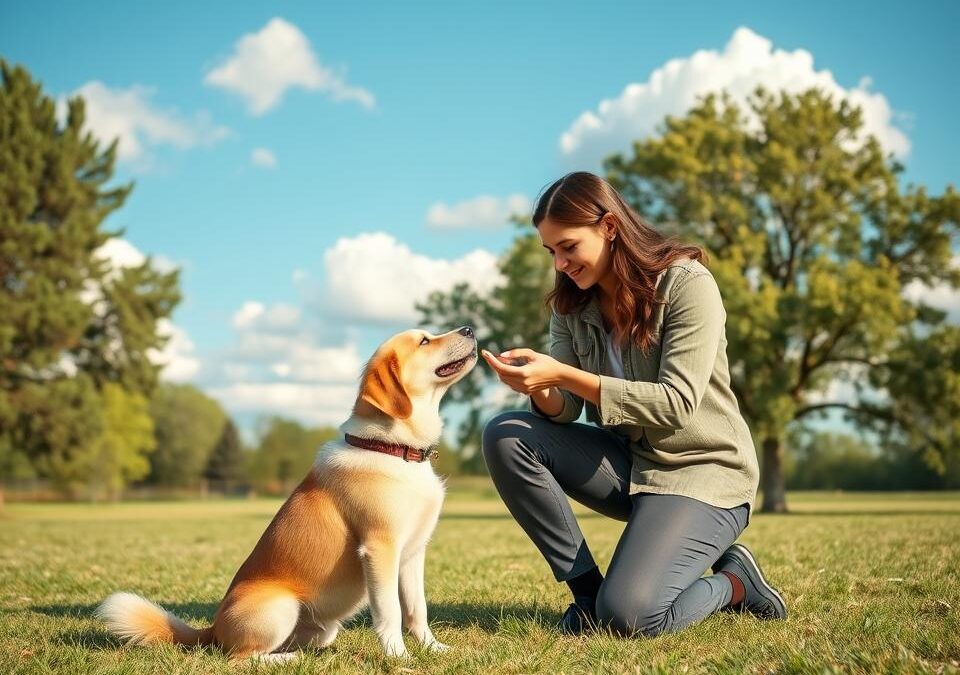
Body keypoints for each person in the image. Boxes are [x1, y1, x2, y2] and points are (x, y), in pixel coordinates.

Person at [480, 171, 787, 637]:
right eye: (551, 251)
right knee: (506, 435)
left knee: (629, 617)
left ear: (608, 227)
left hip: (705, 472)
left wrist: (562, 374)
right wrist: (538, 386)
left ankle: (736, 583)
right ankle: (587, 596)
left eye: (568, 246)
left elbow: (676, 404)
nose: (560, 263)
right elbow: (566, 408)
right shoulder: (570, 306)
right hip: (633, 467)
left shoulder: (686, 284)